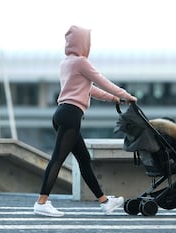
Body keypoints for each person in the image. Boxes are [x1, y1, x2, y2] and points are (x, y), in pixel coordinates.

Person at [33, 25, 138, 217]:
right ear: (83, 43)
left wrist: (113, 98)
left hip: (62, 113)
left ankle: (105, 201)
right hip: (71, 115)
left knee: (83, 160)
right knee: (58, 158)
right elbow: (101, 80)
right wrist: (126, 95)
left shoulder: (66, 63)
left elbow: (89, 89)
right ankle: (42, 202)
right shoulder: (81, 62)